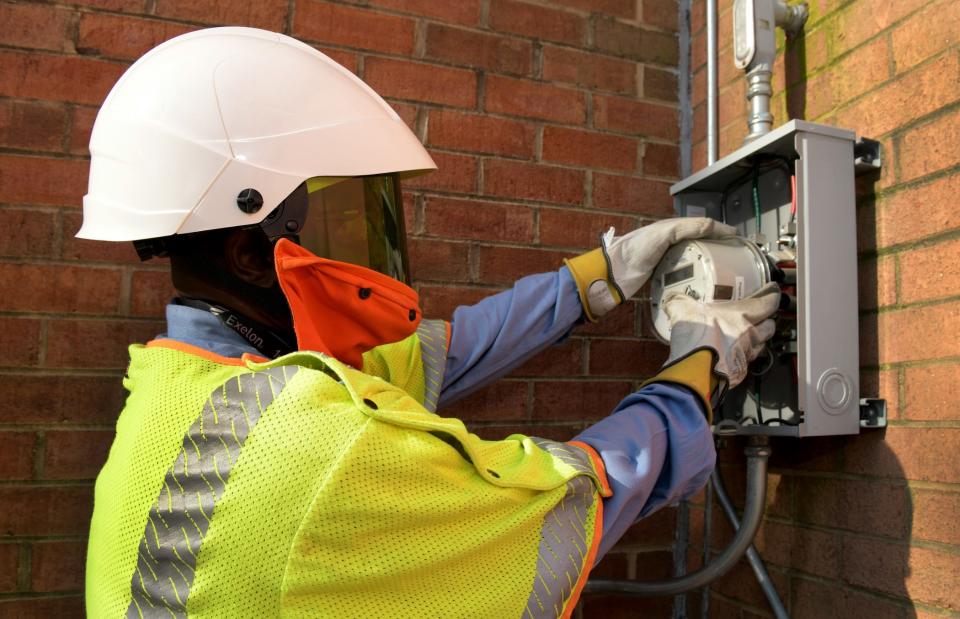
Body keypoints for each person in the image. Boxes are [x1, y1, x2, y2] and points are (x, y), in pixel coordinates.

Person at [80, 27, 780, 618]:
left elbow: (445, 352)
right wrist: (702, 357)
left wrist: (599, 276)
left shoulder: (187, 384)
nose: (361, 247)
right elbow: (570, 501)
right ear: (249, 254)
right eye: (338, 219)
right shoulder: (322, 450)